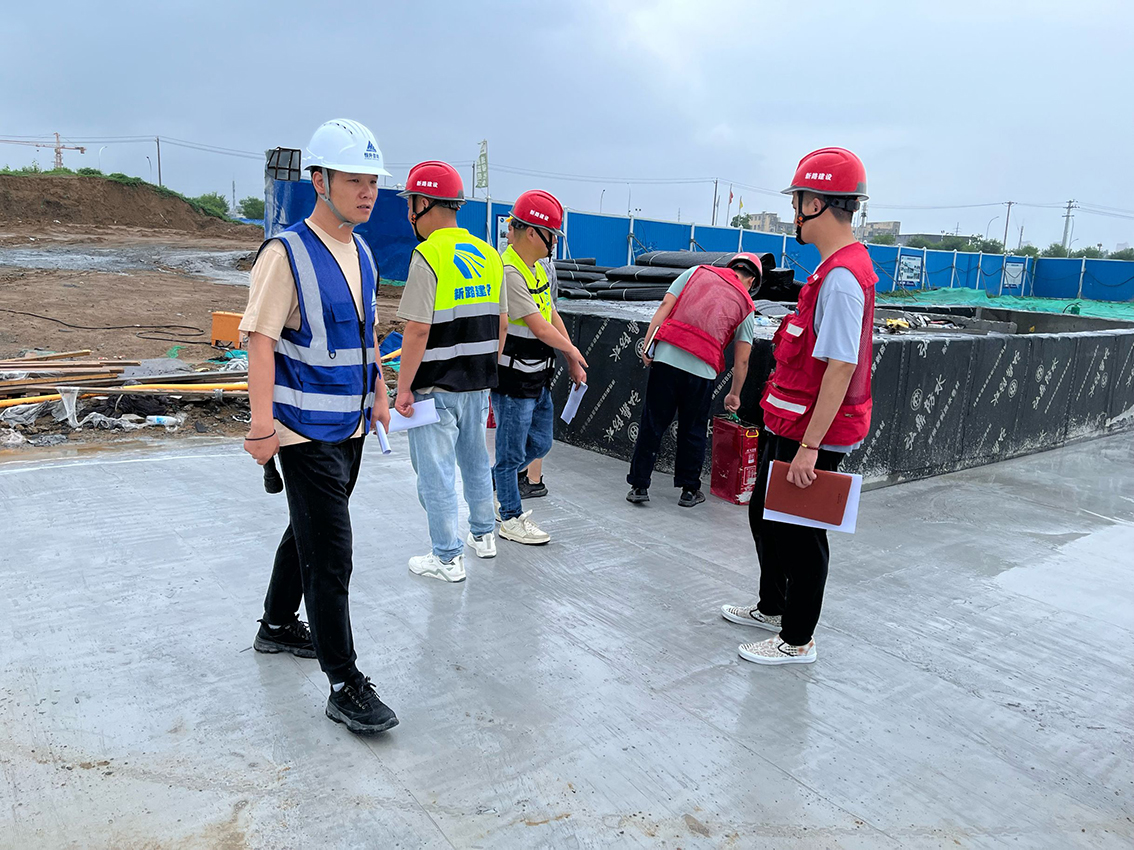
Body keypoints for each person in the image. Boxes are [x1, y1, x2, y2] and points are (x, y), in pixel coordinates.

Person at [240, 119, 398, 733]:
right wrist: (261, 427)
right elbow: (259, 341)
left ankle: (278, 624)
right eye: (355, 180)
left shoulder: (362, 253)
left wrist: (379, 390)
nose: (368, 192)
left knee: (306, 529)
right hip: (301, 429)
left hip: (349, 425)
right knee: (332, 554)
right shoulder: (285, 254)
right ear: (320, 181)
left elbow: (365, 334)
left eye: (373, 182)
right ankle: (343, 681)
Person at [721, 147, 877, 666]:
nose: (794, 213)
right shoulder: (831, 270)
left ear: (815, 203)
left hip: (811, 433)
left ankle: (797, 639)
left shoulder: (843, 278)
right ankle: (772, 607)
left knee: (800, 533)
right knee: (767, 517)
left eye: (798, 202)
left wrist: (811, 447)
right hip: (788, 423)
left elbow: (841, 367)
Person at [395, 160, 507, 580]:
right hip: (477, 385)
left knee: (436, 472)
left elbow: (417, 329)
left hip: (435, 388)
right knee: (476, 461)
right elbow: (501, 324)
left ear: (423, 203)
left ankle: (446, 557)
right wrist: (484, 370)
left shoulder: (428, 256)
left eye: (411, 203)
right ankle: (484, 535)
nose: (409, 212)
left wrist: (403, 389)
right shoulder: (489, 254)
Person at [626, 253, 760, 507]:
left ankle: (639, 486)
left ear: (731, 267)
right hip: (702, 371)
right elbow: (742, 360)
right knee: (693, 430)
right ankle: (689, 490)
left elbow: (665, 306)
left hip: (666, 358)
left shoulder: (697, 271)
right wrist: (734, 394)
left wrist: (648, 344)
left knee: (652, 423)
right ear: (752, 281)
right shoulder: (746, 305)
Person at [493, 190, 587, 544]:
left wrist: (571, 358)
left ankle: (494, 482)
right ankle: (510, 516)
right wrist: (572, 349)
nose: (554, 242)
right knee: (511, 453)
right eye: (552, 235)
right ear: (532, 232)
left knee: (540, 444)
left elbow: (551, 315)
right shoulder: (508, 272)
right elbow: (538, 326)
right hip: (514, 380)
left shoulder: (537, 269)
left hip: (538, 377)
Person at [519, 255, 559, 500]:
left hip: (530, 359)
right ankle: (524, 477)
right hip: (534, 357)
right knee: (529, 426)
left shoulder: (537, 267)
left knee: (531, 427)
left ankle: (529, 478)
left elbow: (549, 313)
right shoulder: (535, 265)